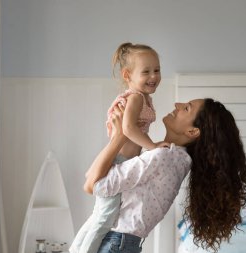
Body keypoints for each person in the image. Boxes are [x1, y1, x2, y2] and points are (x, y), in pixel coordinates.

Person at [84, 98, 246, 252]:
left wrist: (119, 137)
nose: (177, 104)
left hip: (115, 243)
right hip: (123, 243)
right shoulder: (178, 160)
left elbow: (95, 185)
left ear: (192, 131)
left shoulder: (163, 157)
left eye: (186, 108)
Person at [70, 42, 168, 253]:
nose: (154, 76)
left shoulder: (144, 97)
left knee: (101, 213)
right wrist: (153, 147)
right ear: (127, 75)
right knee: (105, 217)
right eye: (146, 72)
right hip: (118, 162)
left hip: (122, 162)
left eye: (157, 70)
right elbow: (128, 129)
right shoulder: (135, 98)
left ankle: (76, 248)